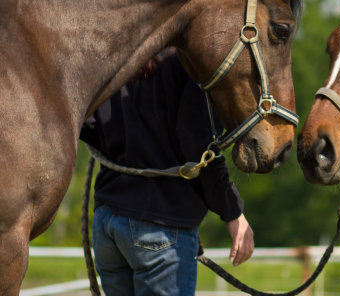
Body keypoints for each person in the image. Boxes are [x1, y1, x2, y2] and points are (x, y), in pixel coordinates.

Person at [81, 47, 254, 296]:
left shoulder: (115, 56)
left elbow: (88, 125)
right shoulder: (191, 60)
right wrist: (232, 212)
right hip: (159, 229)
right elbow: (200, 147)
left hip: (107, 223)